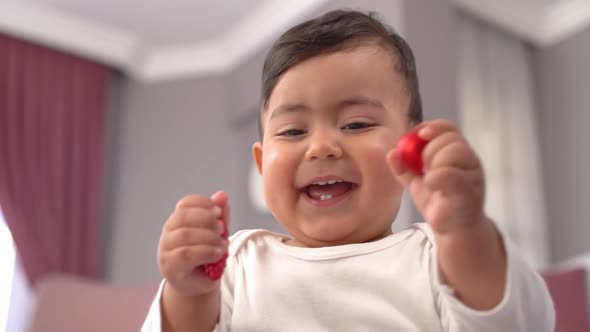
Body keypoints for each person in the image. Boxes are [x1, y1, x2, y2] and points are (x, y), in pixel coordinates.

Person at [142, 9, 554, 332]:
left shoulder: (436, 257)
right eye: (292, 130)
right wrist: (190, 292)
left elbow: (518, 323)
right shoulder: (237, 266)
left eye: (357, 124)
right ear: (261, 163)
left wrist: (466, 231)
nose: (321, 146)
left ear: (414, 148)